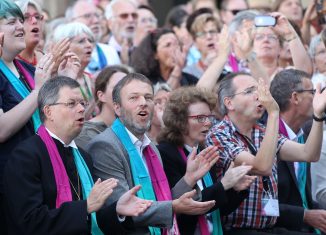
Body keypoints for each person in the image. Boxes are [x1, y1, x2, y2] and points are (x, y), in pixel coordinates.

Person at [3, 76, 152, 235]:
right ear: (48, 111)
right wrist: (85, 206)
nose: (81, 109)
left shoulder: (83, 156)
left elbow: (94, 221)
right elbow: (29, 221)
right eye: (72, 104)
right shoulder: (26, 156)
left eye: (82, 103)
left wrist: (118, 211)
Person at [86, 73, 218, 234]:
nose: (143, 103)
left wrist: (189, 178)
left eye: (148, 98)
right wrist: (173, 207)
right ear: (117, 108)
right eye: (134, 98)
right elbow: (125, 207)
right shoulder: (105, 145)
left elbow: (163, 200)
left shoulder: (151, 147)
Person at [206, 72, 326, 235]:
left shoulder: (261, 132)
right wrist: (273, 114)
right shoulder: (219, 134)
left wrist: (318, 116)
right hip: (236, 230)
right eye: (249, 91)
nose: (258, 96)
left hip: (269, 227)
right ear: (229, 103)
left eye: (259, 90)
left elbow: (308, 154)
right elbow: (262, 167)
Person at [157, 86, 255, 234]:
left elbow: (216, 209)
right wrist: (223, 185)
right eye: (200, 118)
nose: (208, 123)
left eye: (210, 117)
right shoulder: (165, 153)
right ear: (180, 121)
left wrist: (234, 189)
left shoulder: (204, 151)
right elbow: (185, 206)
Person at [270, 69, 326, 233]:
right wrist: (304, 215)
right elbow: (262, 204)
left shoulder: (304, 135)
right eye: (312, 92)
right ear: (295, 97)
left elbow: (304, 197)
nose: (318, 97)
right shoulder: (267, 137)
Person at [76, 65, 130, 149]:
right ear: (101, 96)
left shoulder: (133, 129)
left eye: (129, 88)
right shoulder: (87, 134)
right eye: (118, 87)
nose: (126, 93)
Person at [131, 28, 198, 89]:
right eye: (168, 45)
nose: (175, 48)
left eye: (177, 44)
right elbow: (163, 98)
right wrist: (178, 69)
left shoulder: (190, 80)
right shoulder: (145, 81)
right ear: (155, 54)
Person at [69, 0, 121, 75]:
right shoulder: (68, 55)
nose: (96, 21)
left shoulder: (110, 51)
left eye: (97, 15)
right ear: (72, 21)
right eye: (87, 16)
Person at [105, 0, 138, 64]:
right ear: (110, 23)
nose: (131, 20)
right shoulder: (101, 53)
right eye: (124, 16)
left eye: (134, 15)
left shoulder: (145, 52)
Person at [15, 0, 44, 66]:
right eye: (26, 17)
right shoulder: (9, 63)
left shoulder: (45, 58)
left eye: (37, 17)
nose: (34, 21)